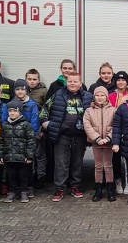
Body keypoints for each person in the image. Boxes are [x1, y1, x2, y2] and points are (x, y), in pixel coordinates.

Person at [40, 72, 93, 202]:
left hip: (80, 136)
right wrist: (46, 123)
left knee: (77, 163)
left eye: (75, 81)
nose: (72, 84)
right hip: (62, 136)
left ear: (80, 83)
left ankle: (75, 186)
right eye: (70, 81)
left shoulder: (88, 97)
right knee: (61, 163)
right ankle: (60, 188)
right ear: (66, 82)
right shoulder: (58, 95)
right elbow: (44, 109)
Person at [0, 99, 36, 203]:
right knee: (11, 175)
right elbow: (0, 141)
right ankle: (12, 191)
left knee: (23, 175)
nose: (12, 113)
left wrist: (29, 155)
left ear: (20, 111)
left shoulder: (26, 125)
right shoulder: (5, 125)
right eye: (10, 111)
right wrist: (0, 155)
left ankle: (24, 191)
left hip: (22, 158)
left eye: (15, 111)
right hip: (9, 157)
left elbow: (31, 141)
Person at [83, 86, 117, 202]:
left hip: (108, 142)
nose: (100, 98)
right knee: (98, 166)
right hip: (96, 142)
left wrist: (108, 138)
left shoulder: (113, 110)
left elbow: (115, 125)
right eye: (97, 95)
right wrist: (97, 138)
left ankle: (110, 189)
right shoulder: (89, 111)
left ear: (106, 97)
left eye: (102, 95)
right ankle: (98, 189)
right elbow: (87, 126)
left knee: (108, 165)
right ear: (94, 97)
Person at [25, 69, 48, 188]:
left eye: (34, 79)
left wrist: (44, 129)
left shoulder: (44, 91)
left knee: (39, 153)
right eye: (29, 79)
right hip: (24, 128)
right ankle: (31, 175)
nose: (32, 81)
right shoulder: (22, 90)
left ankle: (41, 176)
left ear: (39, 80)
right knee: (29, 153)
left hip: (38, 126)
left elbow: (47, 109)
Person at [108, 70, 128, 194]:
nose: (121, 82)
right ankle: (117, 180)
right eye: (119, 80)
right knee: (115, 158)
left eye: (123, 80)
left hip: (127, 130)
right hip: (114, 129)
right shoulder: (111, 95)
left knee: (127, 158)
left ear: (127, 82)